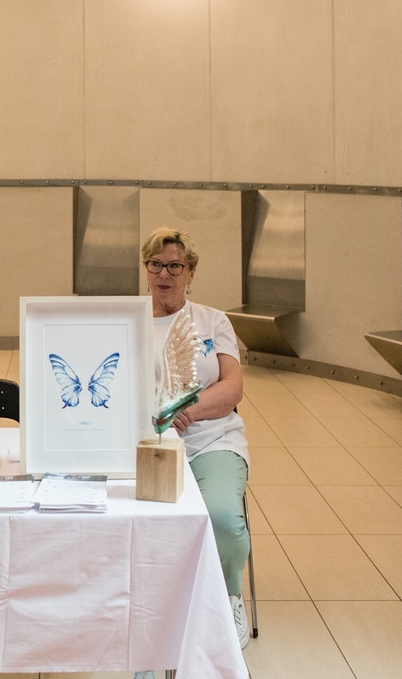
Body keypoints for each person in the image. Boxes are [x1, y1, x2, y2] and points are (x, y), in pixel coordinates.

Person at [143, 227, 251, 651]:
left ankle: (228, 597)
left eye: (175, 266)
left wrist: (185, 408)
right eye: (155, 264)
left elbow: (232, 388)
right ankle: (151, 606)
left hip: (210, 440)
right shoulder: (129, 319)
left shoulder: (212, 320)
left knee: (222, 518)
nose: (163, 274)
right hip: (148, 444)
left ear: (190, 274)